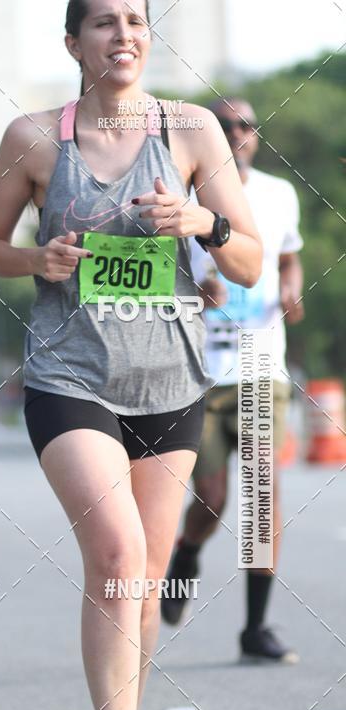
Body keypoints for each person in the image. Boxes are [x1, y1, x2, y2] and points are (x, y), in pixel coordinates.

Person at [0, 0, 261, 710]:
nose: (123, 34)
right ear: (73, 43)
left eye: (135, 20)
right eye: (103, 22)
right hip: (71, 377)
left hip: (171, 383)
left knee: (143, 583)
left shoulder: (195, 129)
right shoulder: (34, 140)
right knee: (118, 556)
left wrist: (201, 223)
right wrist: (38, 258)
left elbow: (245, 255)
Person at [164, 98, 304, 665]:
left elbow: (288, 256)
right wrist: (195, 294)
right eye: (224, 127)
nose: (237, 133)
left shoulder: (279, 193)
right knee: (213, 502)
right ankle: (186, 554)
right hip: (200, 373)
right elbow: (158, 281)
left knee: (261, 499)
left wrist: (292, 286)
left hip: (260, 366)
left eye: (246, 125)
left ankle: (255, 627)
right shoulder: (184, 195)